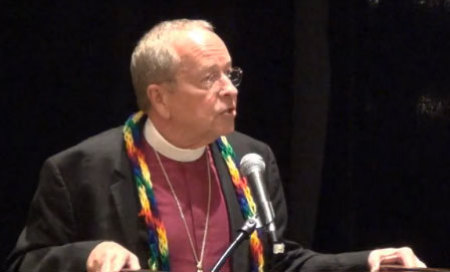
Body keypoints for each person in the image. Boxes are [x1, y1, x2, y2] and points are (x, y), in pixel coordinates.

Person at [6, 19, 426, 272]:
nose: (230, 90)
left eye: (231, 75)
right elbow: (25, 264)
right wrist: (88, 255)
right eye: (210, 79)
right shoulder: (79, 169)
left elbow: (274, 260)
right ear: (160, 97)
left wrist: (368, 262)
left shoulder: (251, 159)